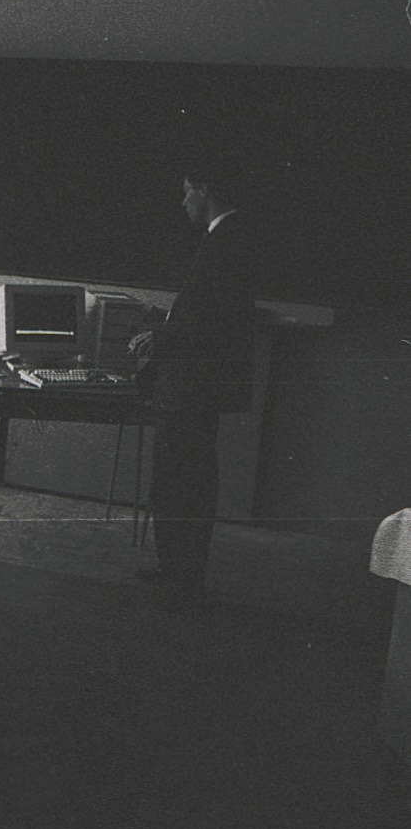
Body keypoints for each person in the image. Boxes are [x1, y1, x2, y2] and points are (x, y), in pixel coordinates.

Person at [130, 169, 257, 608]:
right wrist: (166, 323)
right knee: (185, 480)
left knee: (180, 481)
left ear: (204, 189)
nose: (183, 202)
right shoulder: (228, 237)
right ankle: (178, 570)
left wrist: (163, 336)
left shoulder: (226, 239)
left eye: (186, 192)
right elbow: (206, 312)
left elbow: (213, 321)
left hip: (191, 386)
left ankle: (182, 578)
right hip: (195, 383)